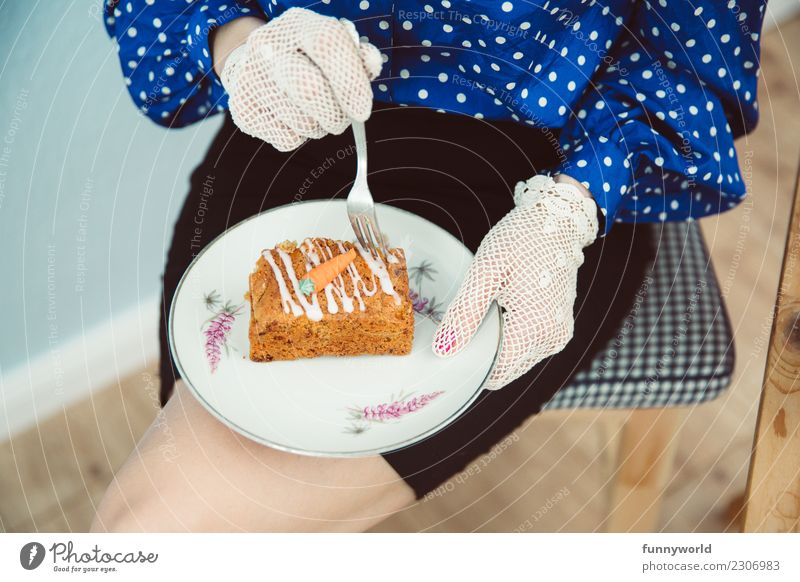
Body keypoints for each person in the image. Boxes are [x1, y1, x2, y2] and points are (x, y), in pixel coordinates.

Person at [92, 0, 763, 531]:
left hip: (570, 151)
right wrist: (237, 44)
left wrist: (569, 208)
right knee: (157, 517)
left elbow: (692, 70)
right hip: (304, 110)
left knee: (156, 531)